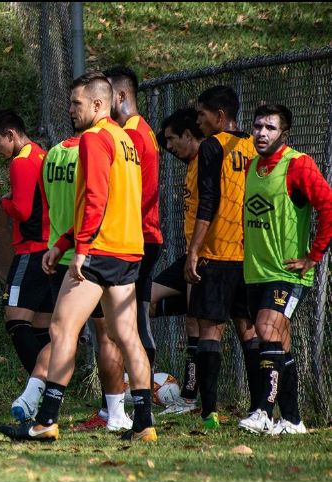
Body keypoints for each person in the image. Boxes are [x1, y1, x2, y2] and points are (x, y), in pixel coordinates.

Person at [0, 72, 156, 442]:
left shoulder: (94, 139)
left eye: (76, 103)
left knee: (61, 329)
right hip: (128, 249)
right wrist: (64, 241)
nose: (71, 110)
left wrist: (80, 249)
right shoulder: (126, 139)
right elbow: (111, 199)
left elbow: (96, 197)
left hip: (99, 250)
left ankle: (46, 420)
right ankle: (144, 423)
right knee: (126, 335)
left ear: (98, 104)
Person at [238, 104, 332, 434]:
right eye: (257, 126)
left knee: (266, 330)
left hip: (288, 273)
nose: (261, 133)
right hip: (255, 273)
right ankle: (293, 420)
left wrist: (313, 256)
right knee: (279, 343)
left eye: (270, 128)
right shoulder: (252, 166)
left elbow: (328, 206)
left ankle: (263, 412)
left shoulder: (298, 165)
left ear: (284, 133)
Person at [185, 85, 261, 430]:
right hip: (250, 255)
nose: (198, 120)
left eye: (202, 114)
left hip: (217, 252)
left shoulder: (212, 146)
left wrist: (194, 249)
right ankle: (259, 408)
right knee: (249, 331)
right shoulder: (254, 146)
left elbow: (208, 200)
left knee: (209, 331)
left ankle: (210, 412)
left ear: (219, 115)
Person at [0, 109, 54, 422]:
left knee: (15, 321)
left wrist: (4, 202)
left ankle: (37, 390)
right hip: (50, 250)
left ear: (11, 134)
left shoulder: (21, 162)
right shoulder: (42, 154)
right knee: (42, 328)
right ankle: (49, 394)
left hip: (31, 251)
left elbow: (23, 210)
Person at [104, 66, 163, 391]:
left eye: (106, 95)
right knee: (131, 318)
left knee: (132, 321)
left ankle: (141, 392)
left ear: (121, 96)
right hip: (141, 234)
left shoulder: (133, 135)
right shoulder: (139, 130)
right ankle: (138, 391)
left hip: (137, 236)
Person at [152, 107, 206, 415]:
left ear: (188, 135)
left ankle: (189, 397)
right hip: (190, 254)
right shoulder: (191, 165)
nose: (169, 146)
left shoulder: (208, 162)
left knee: (195, 323)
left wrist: (196, 251)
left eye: (172, 139)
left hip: (207, 256)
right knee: (144, 298)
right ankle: (140, 379)